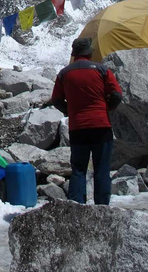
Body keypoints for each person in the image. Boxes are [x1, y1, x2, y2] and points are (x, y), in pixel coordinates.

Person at [48, 37, 122, 205]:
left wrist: (70, 111)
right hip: (101, 126)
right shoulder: (102, 70)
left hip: (78, 127)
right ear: (89, 53)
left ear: (74, 54)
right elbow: (117, 94)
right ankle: (102, 207)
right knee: (102, 169)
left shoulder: (64, 73)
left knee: (79, 169)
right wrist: (107, 108)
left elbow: (57, 99)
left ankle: (77, 207)